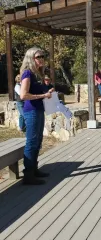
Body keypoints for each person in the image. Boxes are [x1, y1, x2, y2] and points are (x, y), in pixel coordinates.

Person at [20, 47, 52, 185]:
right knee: (31, 142)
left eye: (43, 56)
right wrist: (43, 95)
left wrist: (48, 91)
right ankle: (28, 175)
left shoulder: (37, 74)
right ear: (31, 58)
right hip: (31, 111)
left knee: (38, 141)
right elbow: (23, 95)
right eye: (39, 57)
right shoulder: (27, 73)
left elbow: (40, 91)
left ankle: (34, 169)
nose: (42, 59)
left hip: (38, 110)